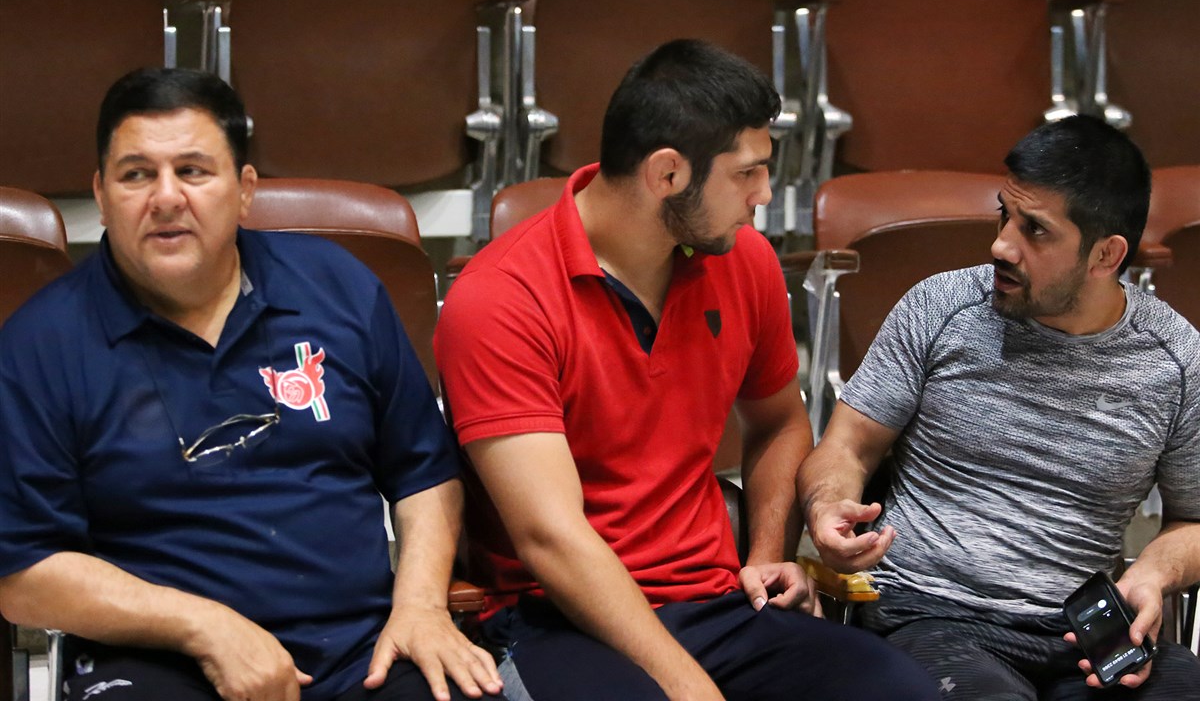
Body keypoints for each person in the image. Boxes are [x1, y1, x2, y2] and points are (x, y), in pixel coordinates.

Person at [434, 39, 939, 701]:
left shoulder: (745, 259)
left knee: (901, 691)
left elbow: (779, 422)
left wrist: (766, 558)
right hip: (554, 617)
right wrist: (689, 687)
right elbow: (550, 539)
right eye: (747, 173)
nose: (765, 194)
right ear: (668, 174)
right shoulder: (500, 298)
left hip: (713, 601)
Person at [0, 68, 504, 701]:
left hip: (363, 650)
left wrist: (422, 607)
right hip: (155, 659)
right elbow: (23, 573)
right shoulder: (39, 345)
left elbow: (424, 474)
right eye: (136, 175)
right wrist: (204, 627)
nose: (165, 197)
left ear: (244, 191)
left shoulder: (338, 288)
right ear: (101, 195)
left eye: (193, 171)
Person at [798, 115, 1200, 700]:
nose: (1001, 245)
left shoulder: (1176, 359)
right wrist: (829, 505)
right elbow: (846, 446)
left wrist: (1154, 572)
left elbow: (1195, 519)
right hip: (930, 613)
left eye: (1034, 230)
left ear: (1106, 255)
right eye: (1003, 215)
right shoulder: (941, 307)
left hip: (1080, 629)